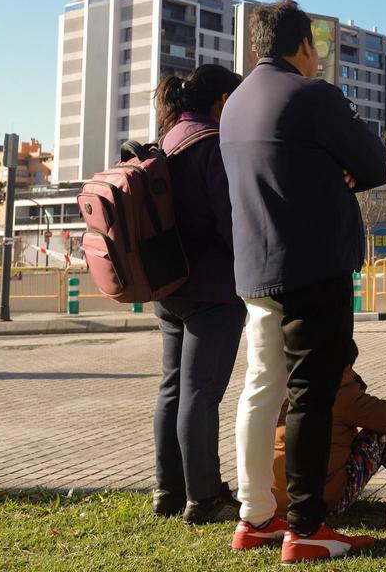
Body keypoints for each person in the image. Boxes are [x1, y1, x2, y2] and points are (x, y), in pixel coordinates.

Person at [222, 0, 386, 564]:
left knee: (260, 387)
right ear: (303, 46)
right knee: (311, 397)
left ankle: (255, 516)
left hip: (256, 269)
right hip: (312, 268)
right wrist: (339, 164)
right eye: (316, 48)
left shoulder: (235, 104)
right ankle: (306, 526)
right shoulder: (312, 96)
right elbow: (373, 164)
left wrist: (327, 163)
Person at [150, 64, 244, 524]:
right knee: (201, 394)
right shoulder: (213, 144)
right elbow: (231, 222)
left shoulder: (169, 140)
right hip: (212, 288)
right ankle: (204, 498)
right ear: (223, 101)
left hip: (169, 287)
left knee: (173, 389)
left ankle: (168, 490)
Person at [271, 349, 386, 518]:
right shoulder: (339, 389)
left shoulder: (287, 386)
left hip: (274, 500)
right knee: (384, 436)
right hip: (323, 502)